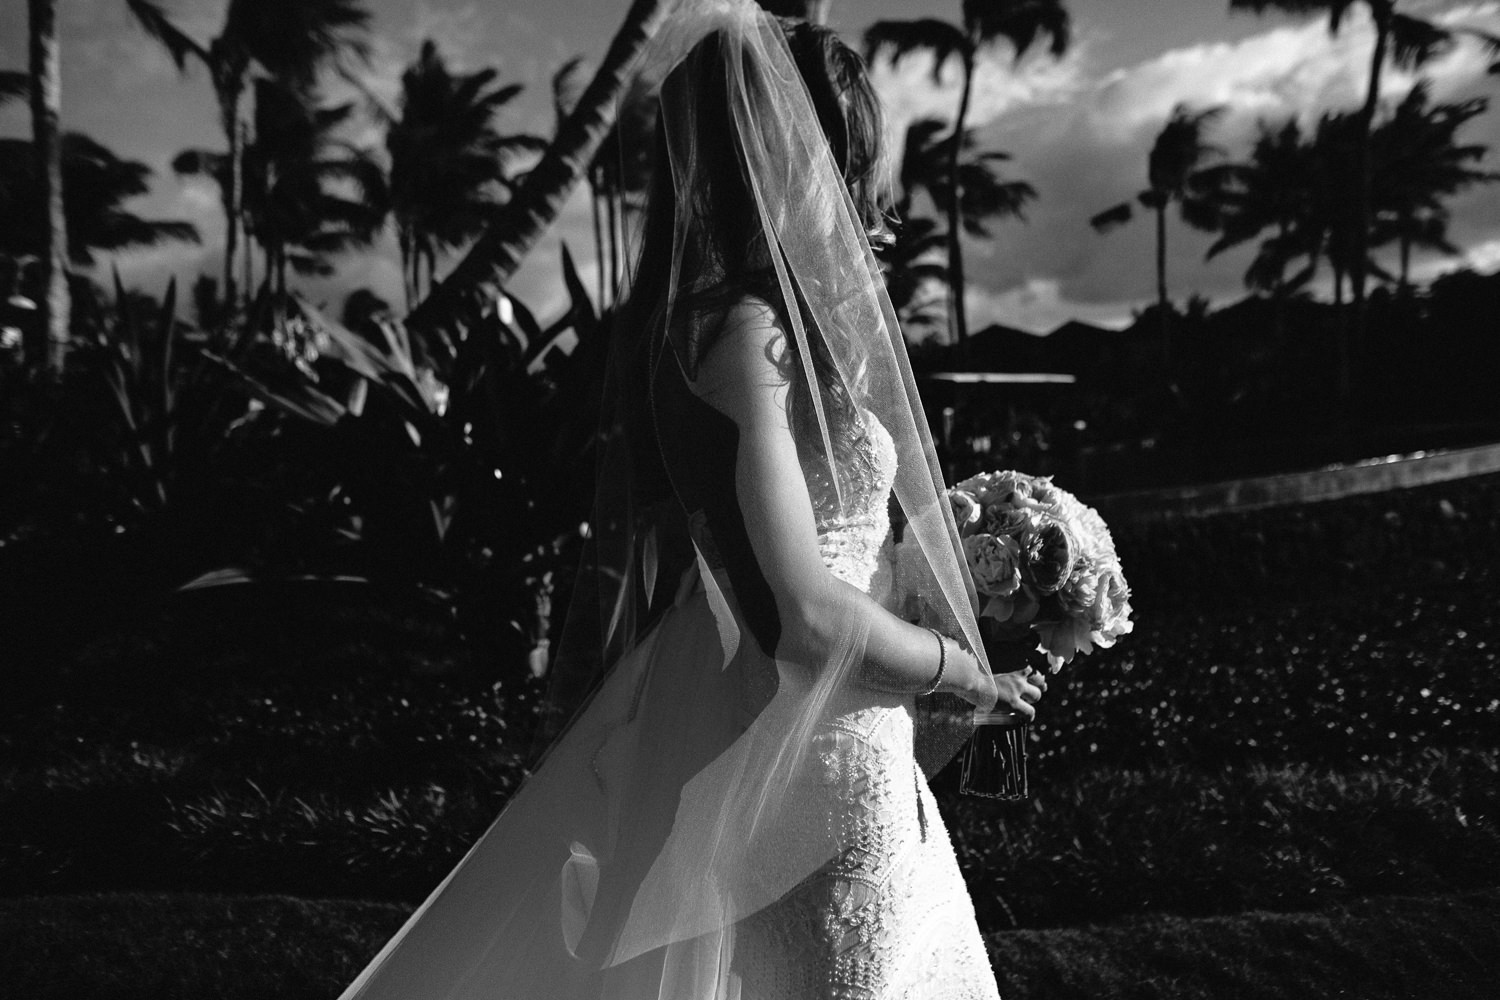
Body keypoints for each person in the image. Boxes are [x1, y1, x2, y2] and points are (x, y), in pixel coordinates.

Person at [337, 2, 1045, 997]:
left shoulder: (746, 337)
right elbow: (799, 615)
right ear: (793, 156)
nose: (857, 198)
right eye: (843, 160)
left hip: (847, 749)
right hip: (824, 770)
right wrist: (954, 668)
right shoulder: (743, 340)